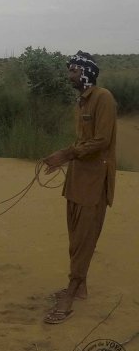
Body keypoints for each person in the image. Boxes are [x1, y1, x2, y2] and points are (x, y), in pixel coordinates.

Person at [41, 51, 117, 324]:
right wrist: (64, 159)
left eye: (73, 70)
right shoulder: (81, 102)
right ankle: (79, 286)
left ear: (86, 73)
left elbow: (101, 141)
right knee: (75, 238)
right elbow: (82, 142)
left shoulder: (103, 98)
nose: (69, 75)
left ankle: (71, 293)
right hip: (76, 179)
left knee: (85, 237)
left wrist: (65, 154)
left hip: (95, 181)